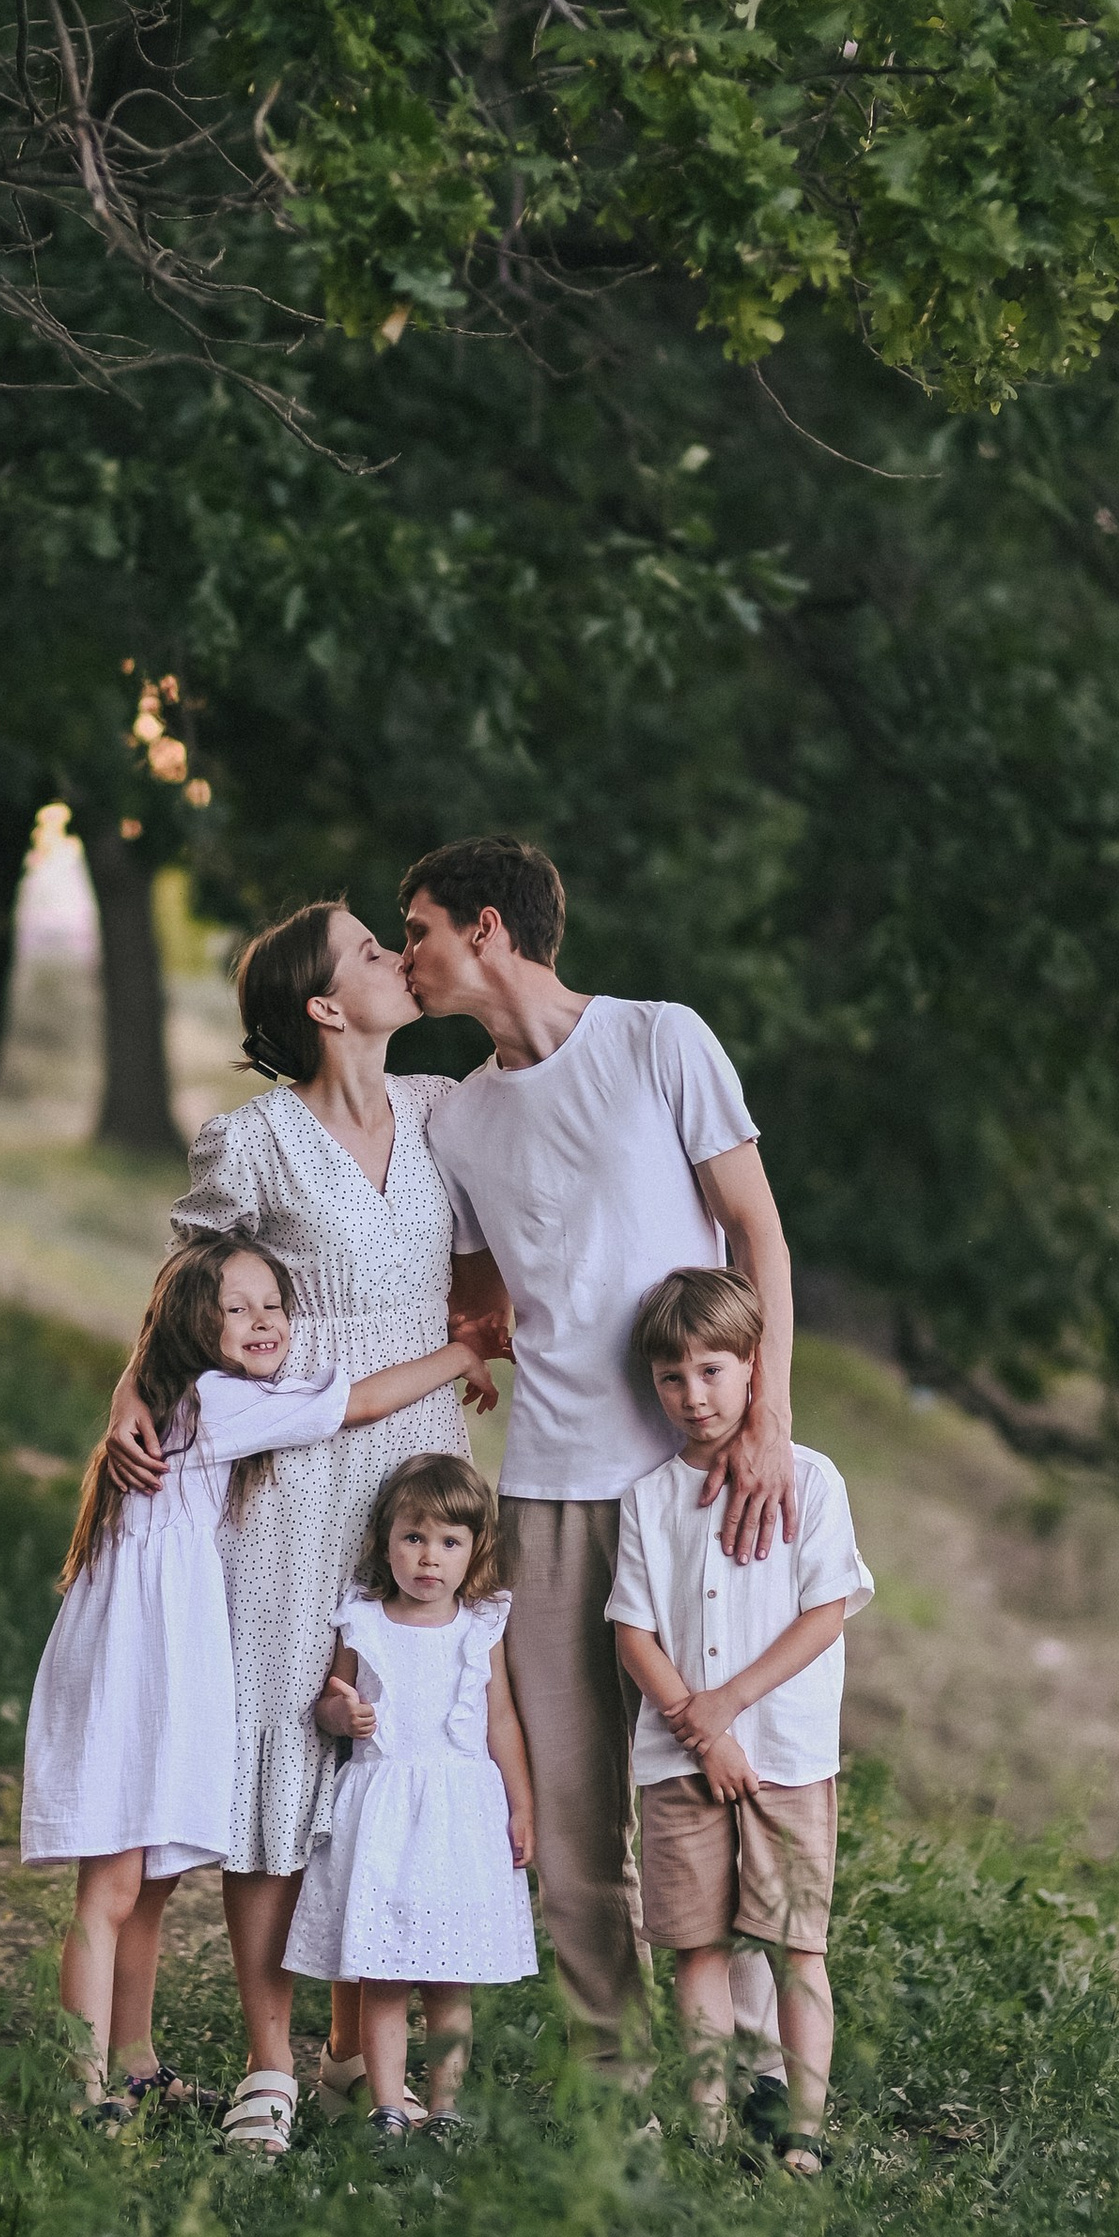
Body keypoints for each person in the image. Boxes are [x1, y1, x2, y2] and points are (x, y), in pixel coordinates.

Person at [399, 833, 798, 2066]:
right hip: (545, 1493)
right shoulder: (459, 1118)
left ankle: (757, 2076)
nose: (404, 954)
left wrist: (765, 1420)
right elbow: (478, 1307)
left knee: (708, 1779)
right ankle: (611, 2085)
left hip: (687, 1483)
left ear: (484, 927)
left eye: (414, 929)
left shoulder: (657, 1038)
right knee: (573, 1815)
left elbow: (756, 1236)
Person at [98, 901, 475, 2139]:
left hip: (419, 1452)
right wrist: (126, 1401)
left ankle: (356, 2057)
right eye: (370, 950)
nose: (392, 958)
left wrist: (478, 1336)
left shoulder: (435, 1110)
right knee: (281, 1743)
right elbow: (182, 1294)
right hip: (291, 1464)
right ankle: (268, 2059)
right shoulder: (252, 1139)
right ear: (323, 1004)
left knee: (397, 1737)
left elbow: (486, 1247)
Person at [22, 1229, 494, 2143]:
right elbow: (354, 1405)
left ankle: (134, 2064)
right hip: (143, 1662)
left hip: (139, 1649)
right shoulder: (217, 1402)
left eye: (273, 1304)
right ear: (190, 1325)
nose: (260, 1321)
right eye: (233, 1309)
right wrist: (462, 1352)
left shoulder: (172, 1399)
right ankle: (79, 2092)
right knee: (113, 1887)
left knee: (145, 1880)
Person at [605, 1268, 871, 2175]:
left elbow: (824, 1613)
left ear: (756, 1367)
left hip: (787, 1757)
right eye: (672, 1378)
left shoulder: (812, 1480)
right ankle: (710, 2125)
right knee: (697, 1948)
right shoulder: (648, 1499)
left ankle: (804, 2128)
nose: (693, 1396)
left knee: (798, 1944)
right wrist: (700, 1727)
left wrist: (729, 1707)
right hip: (678, 1761)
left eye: (713, 1371)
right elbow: (633, 1632)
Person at [287, 1452, 538, 2135]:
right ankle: (389, 2106)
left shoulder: (479, 1626)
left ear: (474, 1551)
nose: (430, 1558)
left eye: (450, 1542)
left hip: (460, 1817)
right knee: (384, 1973)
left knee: (450, 1979)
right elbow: (330, 1701)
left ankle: (449, 2110)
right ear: (386, 1543)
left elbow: (502, 1720)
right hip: (385, 1816)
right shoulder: (363, 1621)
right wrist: (341, 1717)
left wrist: (521, 1804)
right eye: (414, 1539)